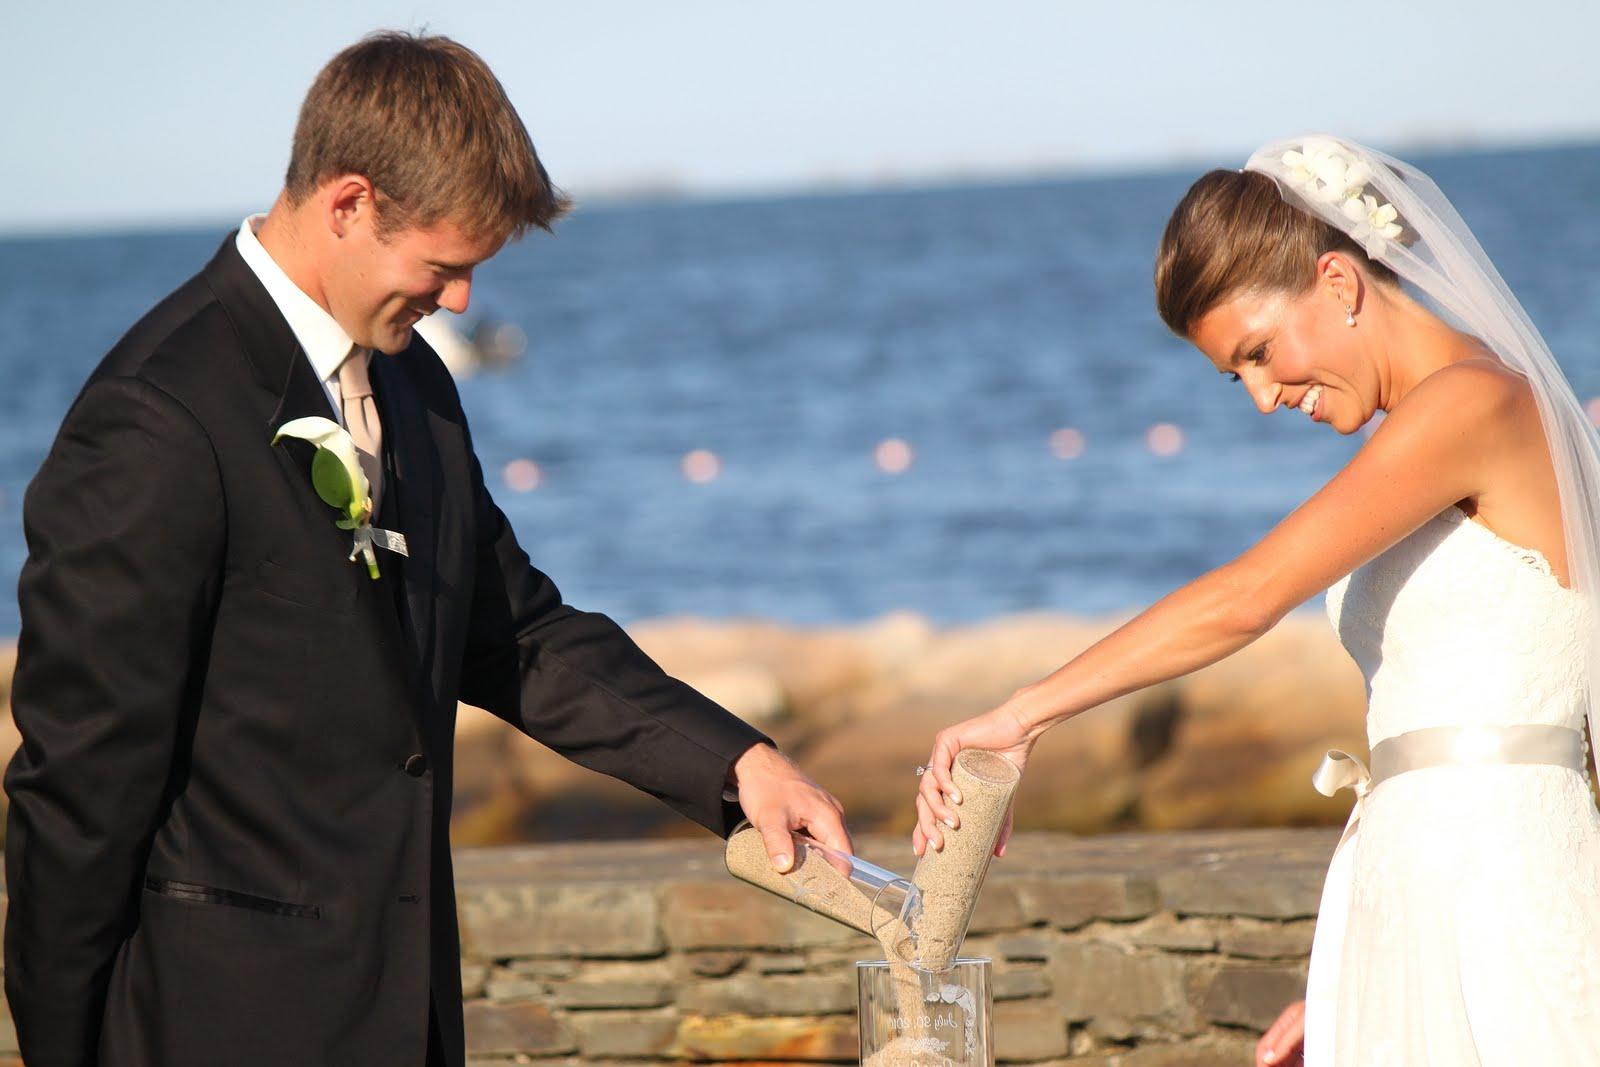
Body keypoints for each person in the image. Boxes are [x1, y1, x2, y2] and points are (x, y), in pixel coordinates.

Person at [4, 31, 849, 1067]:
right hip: (214, 1020)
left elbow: (515, 632)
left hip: (407, 1017)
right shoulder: (156, 415)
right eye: (443, 267)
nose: (460, 301)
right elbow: (82, 786)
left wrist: (734, 760)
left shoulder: (414, 383)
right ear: (349, 203)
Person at [912, 135, 1600, 1066]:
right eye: (1238, 376)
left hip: (1509, 889)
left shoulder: (1474, 404)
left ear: (1341, 284)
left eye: (1260, 353)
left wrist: (1020, 716)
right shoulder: (1432, 431)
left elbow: (1245, 597)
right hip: (1421, 892)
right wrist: (1369, 957)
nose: (1265, 398)